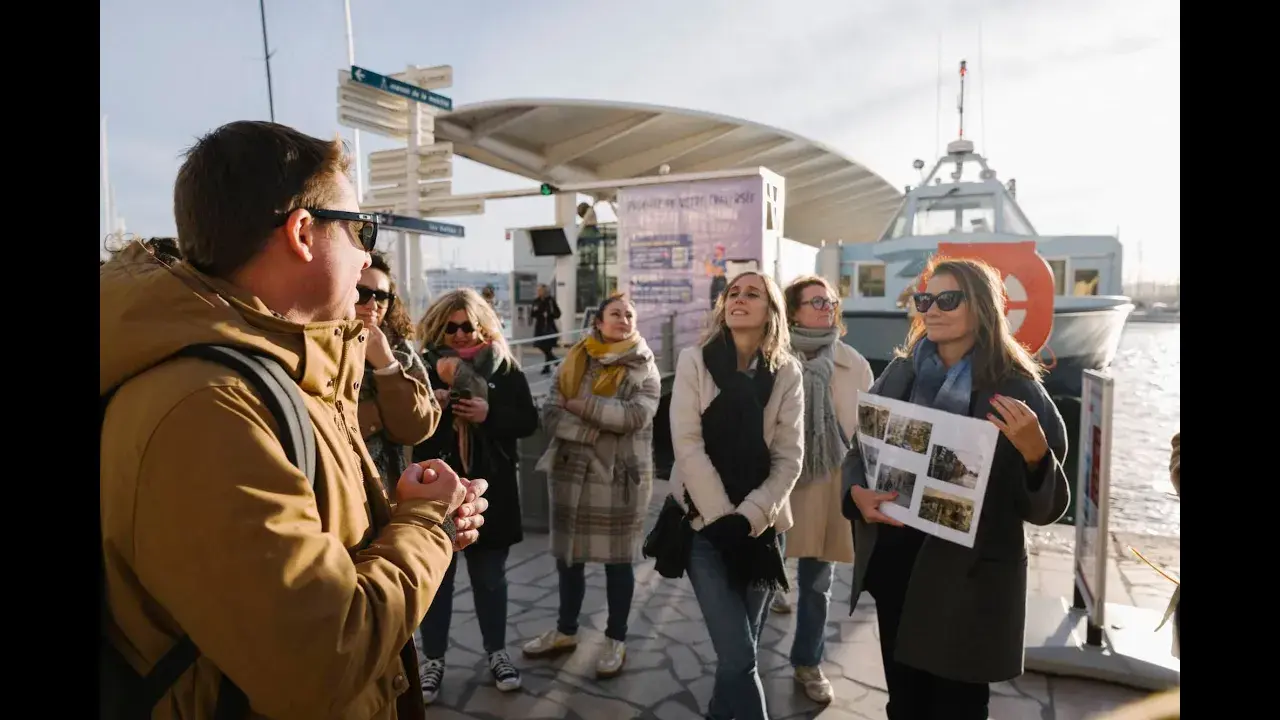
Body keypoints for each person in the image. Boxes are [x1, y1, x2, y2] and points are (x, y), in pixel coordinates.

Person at [100, 120, 486, 720]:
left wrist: (411, 515)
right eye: (359, 229)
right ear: (304, 233)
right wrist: (426, 524)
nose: (365, 255)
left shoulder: (280, 373)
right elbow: (322, 657)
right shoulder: (207, 409)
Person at [841, 257, 1071, 720]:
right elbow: (859, 452)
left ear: (983, 306)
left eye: (949, 299)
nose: (933, 309)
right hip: (899, 568)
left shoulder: (1016, 388)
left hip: (969, 583)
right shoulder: (900, 374)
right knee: (904, 705)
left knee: (958, 709)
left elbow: (1047, 506)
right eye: (926, 299)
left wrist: (1035, 456)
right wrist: (855, 496)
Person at [668, 271, 805, 720]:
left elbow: (789, 458)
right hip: (703, 528)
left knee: (738, 659)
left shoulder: (787, 372)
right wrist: (722, 519)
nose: (739, 300)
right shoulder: (694, 361)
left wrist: (747, 518)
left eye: (753, 294)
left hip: (761, 531)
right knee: (741, 659)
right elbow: (687, 445)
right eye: (733, 293)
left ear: (771, 312)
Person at [522, 294, 661, 678]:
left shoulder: (644, 367)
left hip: (620, 478)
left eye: (630, 314)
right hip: (571, 475)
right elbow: (550, 415)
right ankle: (566, 631)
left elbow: (635, 416)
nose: (624, 318)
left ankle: (616, 638)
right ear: (598, 321)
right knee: (569, 559)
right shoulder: (574, 359)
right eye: (615, 313)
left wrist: (581, 408)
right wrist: (598, 422)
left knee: (619, 562)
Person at [412, 288, 540, 703]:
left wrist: (491, 414)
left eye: (469, 325)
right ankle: (432, 659)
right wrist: (433, 406)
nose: (462, 334)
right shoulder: (419, 368)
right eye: (451, 327)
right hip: (437, 493)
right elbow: (407, 431)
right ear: (437, 328)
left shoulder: (505, 368)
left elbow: (527, 421)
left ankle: (496, 652)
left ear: (483, 324)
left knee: (490, 579)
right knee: (436, 581)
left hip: (491, 493)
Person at [772, 275, 874, 704]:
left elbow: (870, 436)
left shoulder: (856, 365)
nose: (826, 308)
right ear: (792, 310)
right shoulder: (772, 360)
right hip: (776, 485)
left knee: (816, 585)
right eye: (815, 302)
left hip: (829, 487)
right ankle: (741, 663)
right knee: (760, 579)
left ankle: (807, 662)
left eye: (830, 302)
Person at [358, 251, 441, 495]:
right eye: (361, 293)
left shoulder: (399, 350)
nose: (372, 305)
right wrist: (380, 415)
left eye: (382, 296)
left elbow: (418, 426)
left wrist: (387, 365)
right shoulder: (321, 347)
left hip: (389, 490)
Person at [530, 283, 561, 374]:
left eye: (541, 290)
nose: (539, 292)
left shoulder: (550, 301)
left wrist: (551, 314)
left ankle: (547, 368)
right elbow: (533, 313)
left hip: (549, 328)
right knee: (541, 346)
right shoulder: (536, 301)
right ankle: (555, 361)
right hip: (540, 328)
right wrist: (538, 312)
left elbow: (557, 314)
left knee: (547, 347)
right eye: (538, 290)